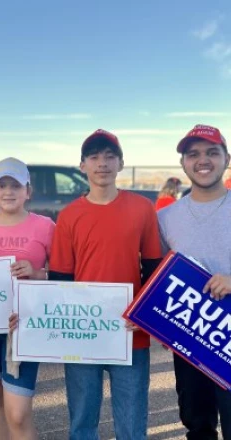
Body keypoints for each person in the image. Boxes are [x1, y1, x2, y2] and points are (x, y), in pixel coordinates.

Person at [48, 129, 162, 440]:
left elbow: (154, 270)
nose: (103, 163)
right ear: (82, 165)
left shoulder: (142, 209)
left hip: (130, 333)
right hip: (83, 334)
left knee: (132, 422)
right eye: (94, 157)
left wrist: (146, 318)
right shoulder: (69, 216)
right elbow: (60, 281)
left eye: (110, 156)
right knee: (83, 422)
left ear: (121, 164)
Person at [0, 157, 55, 440]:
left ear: (28, 191)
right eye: (1, 185)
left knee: (17, 412)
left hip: (25, 330)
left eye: (15, 185)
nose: (8, 191)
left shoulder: (45, 226)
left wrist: (38, 273)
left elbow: (66, 277)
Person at [158, 124, 231, 440]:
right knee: (197, 425)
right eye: (193, 154)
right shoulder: (166, 217)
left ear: (226, 158)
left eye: (212, 152)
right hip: (190, 335)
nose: (203, 160)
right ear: (183, 163)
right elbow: (157, 277)